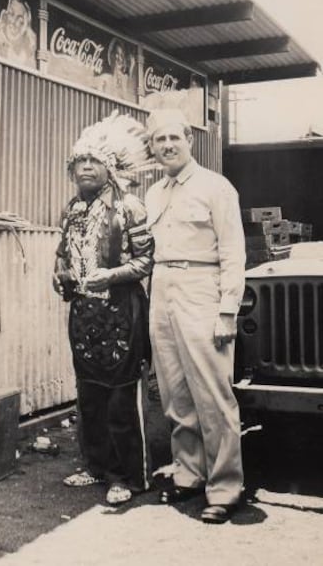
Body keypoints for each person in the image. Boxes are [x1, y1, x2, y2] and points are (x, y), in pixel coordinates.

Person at [145, 106, 246, 524]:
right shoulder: (153, 194)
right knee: (175, 393)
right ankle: (188, 476)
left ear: (189, 140)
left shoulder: (215, 187)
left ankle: (224, 488)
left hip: (202, 290)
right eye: (159, 140)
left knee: (212, 394)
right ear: (152, 148)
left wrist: (227, 311)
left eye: (174, 138)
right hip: (162, 290)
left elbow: (233, 252)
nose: (167, 146)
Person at [53, 111, 154, 506]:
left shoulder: (131, 207)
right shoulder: (71, 211)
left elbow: (146, 263)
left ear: (110, 168)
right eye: (80, 162)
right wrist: (60, 275)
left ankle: (125, 476)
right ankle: (95, 467)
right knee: (89, 394)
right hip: (83, 315)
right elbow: (63, 255)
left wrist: (109, 277)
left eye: (94, 161)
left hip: (122, 313)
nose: (86, 168)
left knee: (121, 398)